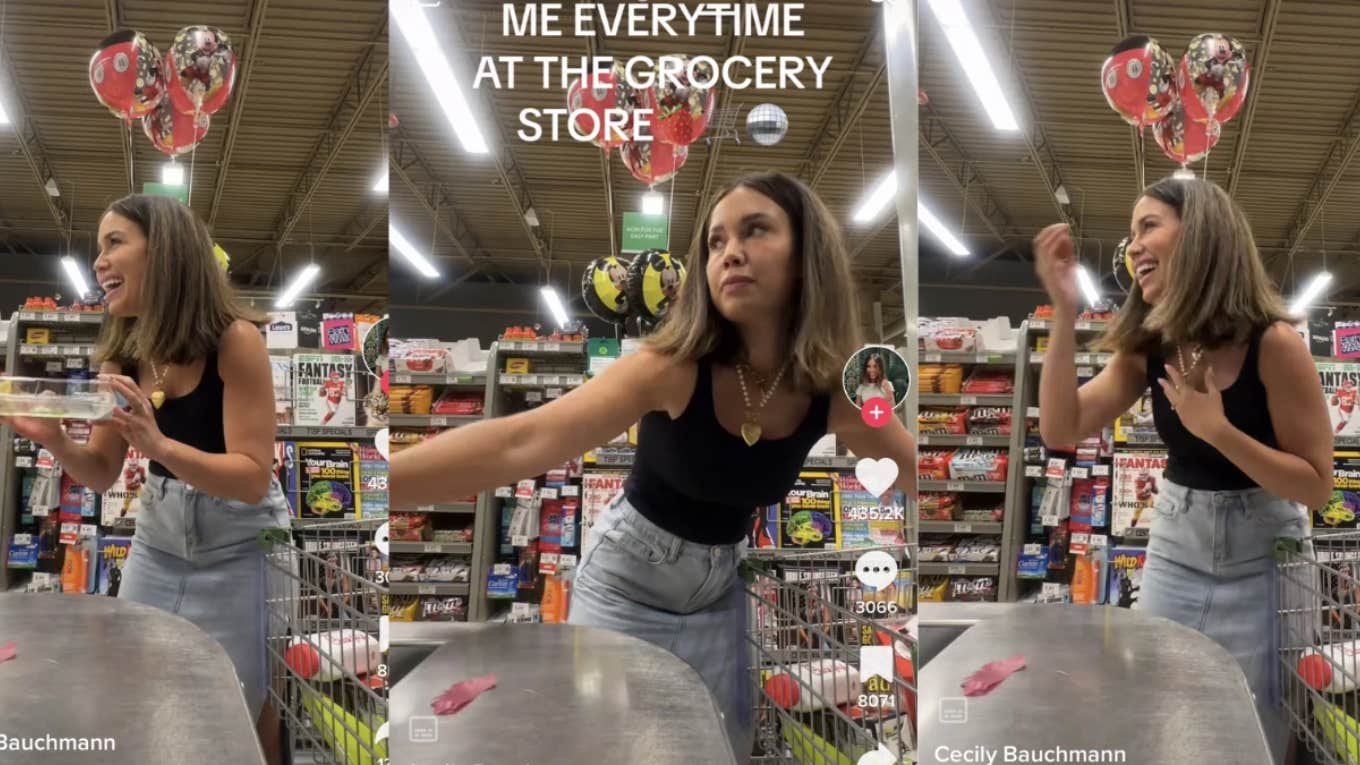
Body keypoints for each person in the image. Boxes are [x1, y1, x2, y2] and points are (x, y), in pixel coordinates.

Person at [391, 171, 917, 761]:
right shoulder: (671, 366)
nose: (730, 253)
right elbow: (523, 441)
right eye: (715, 242)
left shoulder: (837, 390)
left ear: (806, 257)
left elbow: (917, 474)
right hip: (625, 586)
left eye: (755, 230)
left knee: (718, 749)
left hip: (721, 591)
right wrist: (386, 485)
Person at [1034, 176, 1331, 764]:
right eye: (1129, 235)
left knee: (1253, 733)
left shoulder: (1275, 344)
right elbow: (1061, 428)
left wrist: (1217, 430)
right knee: (1159, 715)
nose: (1133, 246)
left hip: (1266, 559)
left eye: (1149, 226)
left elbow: (1317, 484)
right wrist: (1065, 317)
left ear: (1201, 236)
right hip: (1177, 548)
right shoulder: (1151, 345)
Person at [0, 195, 290, 763]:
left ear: (166, 254)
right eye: (97, 250)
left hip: (243, 549)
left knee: (241, 707)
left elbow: (253, 477)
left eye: (115, 244)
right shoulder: (124, 354)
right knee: (139, 687)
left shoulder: (235, 341)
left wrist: (157, 445)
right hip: (157, 544)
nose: (99, 263)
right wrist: (56, 439)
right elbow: (103, 473)